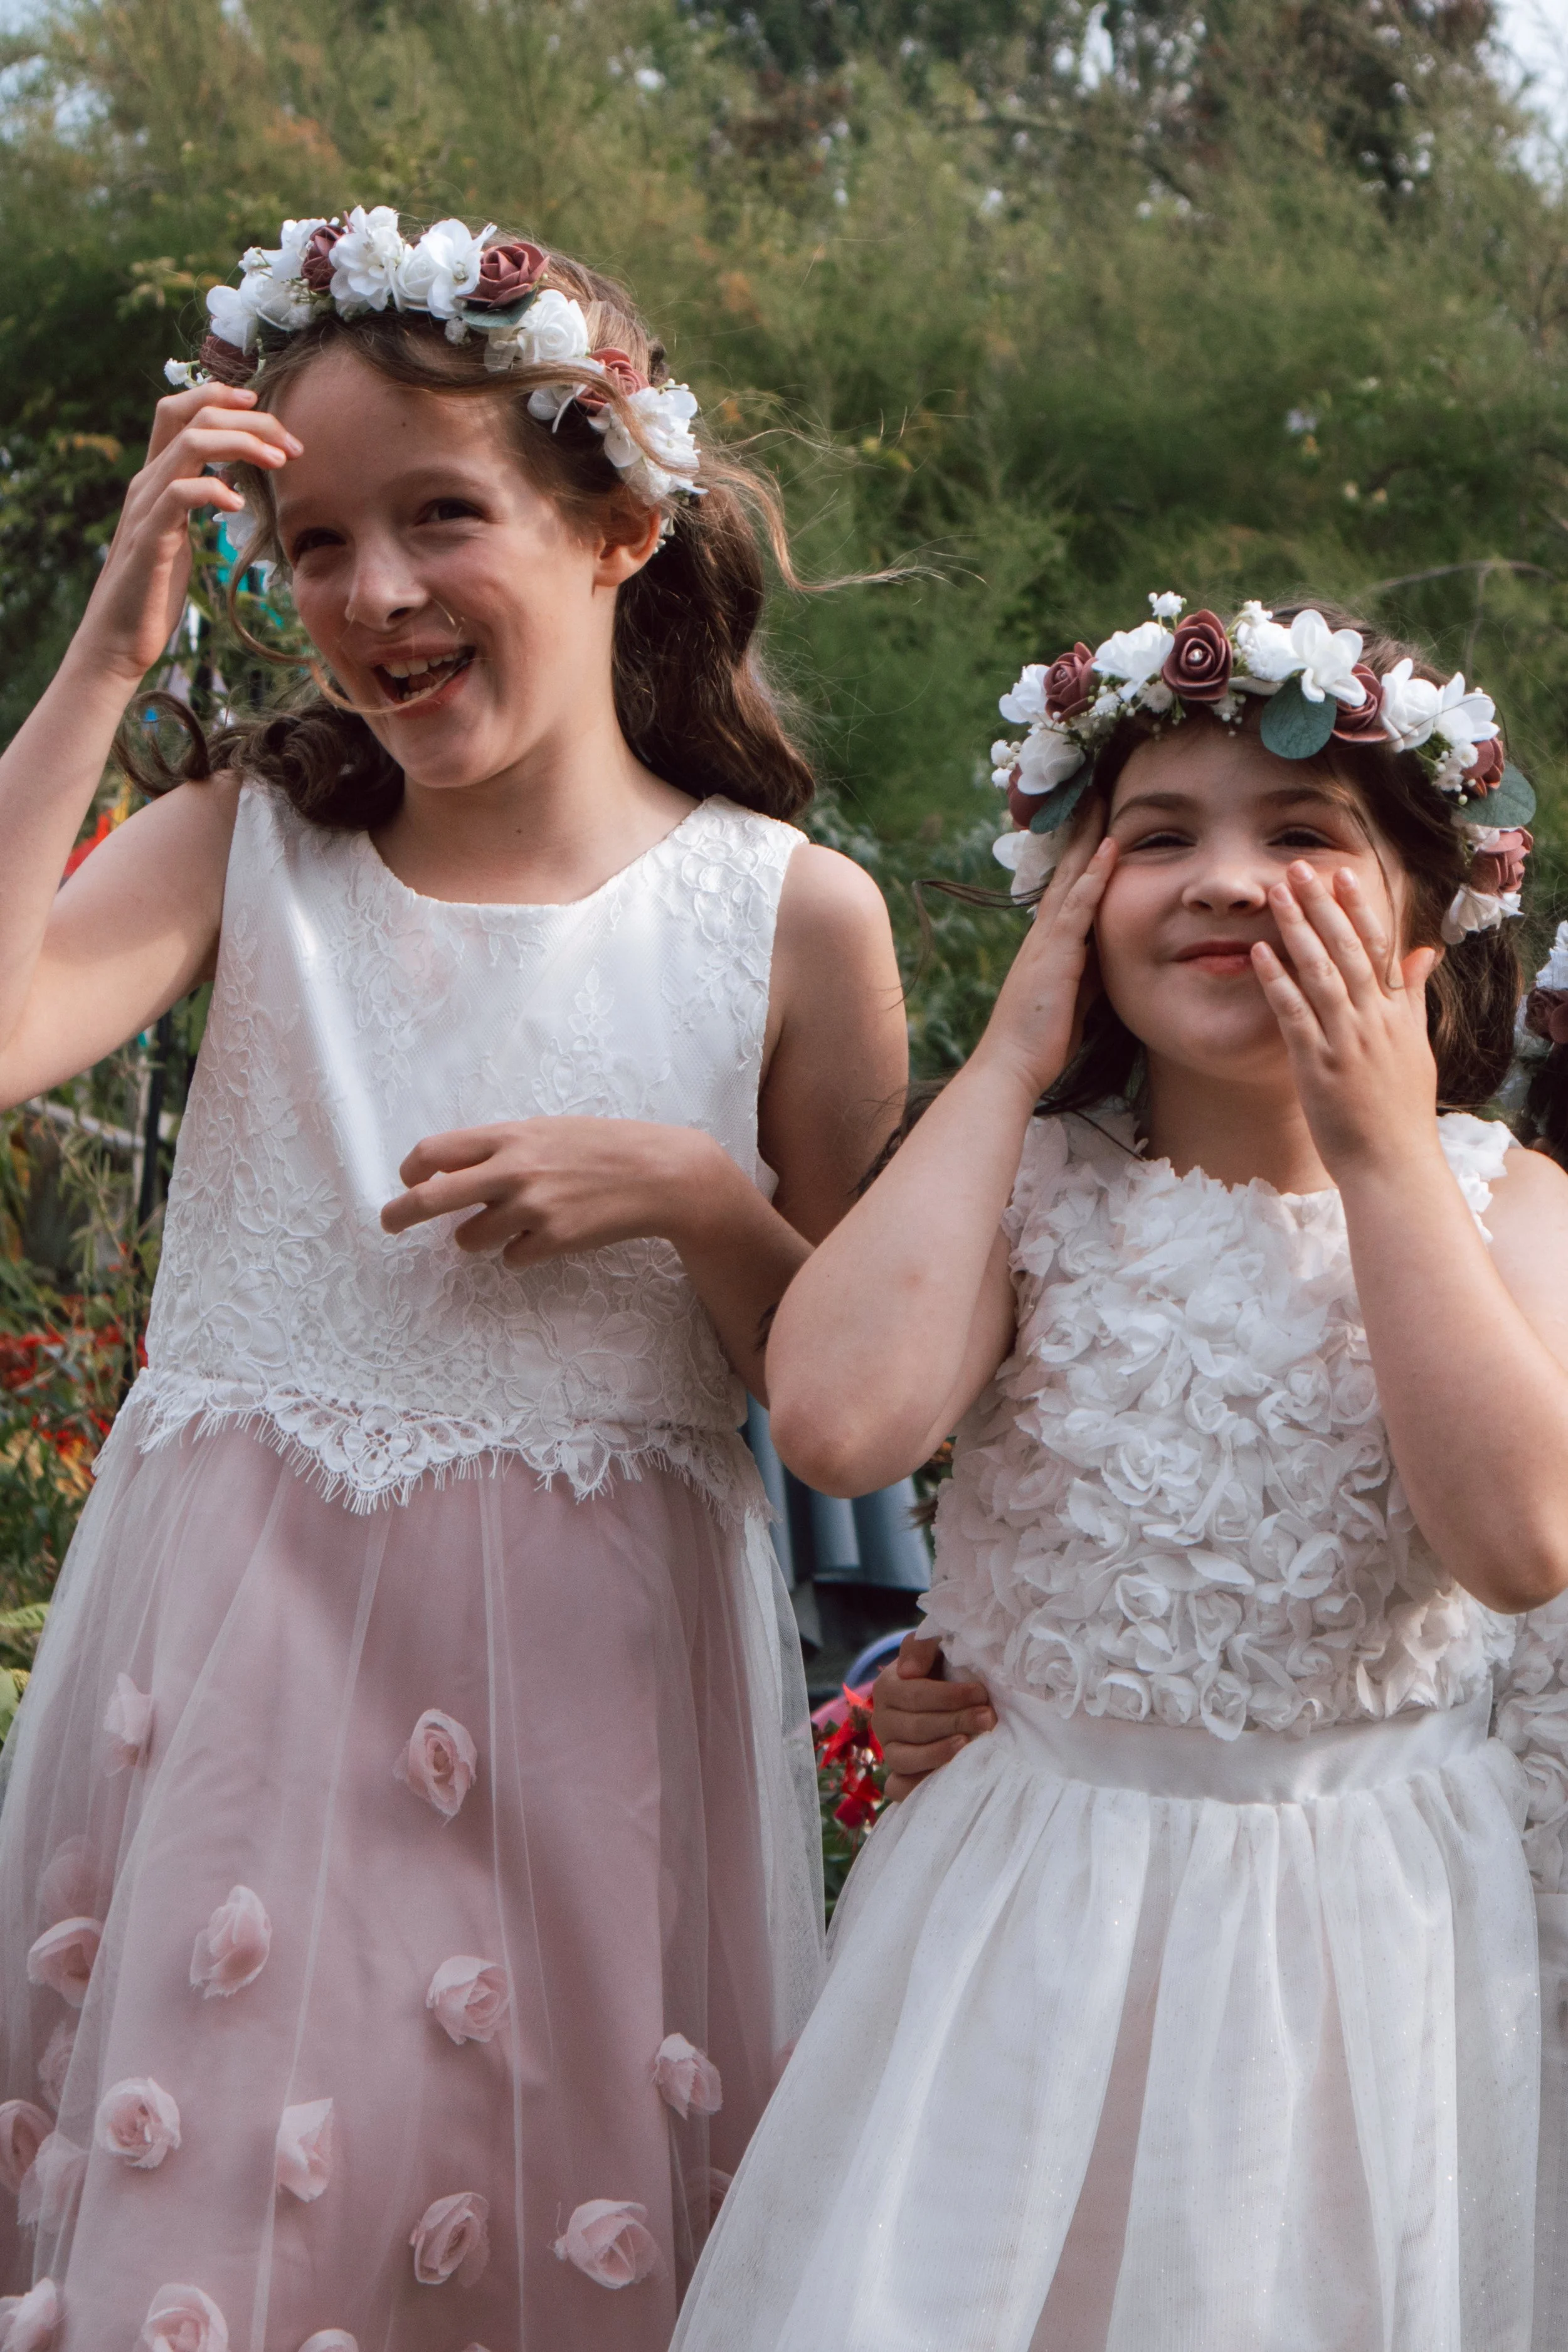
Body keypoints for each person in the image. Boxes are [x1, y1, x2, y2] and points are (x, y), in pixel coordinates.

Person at [0, 211, 908, 2349]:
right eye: (310, 542)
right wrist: (109, 655)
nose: (374, 594)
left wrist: (696, 1193)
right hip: (237, 1674)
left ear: (616, 523)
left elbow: (857, 1396)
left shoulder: (795, 921)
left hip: (596, 1725)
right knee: (213, 2239)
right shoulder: (252, 841)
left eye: (441, 516)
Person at [670, 594, 1568, 2351]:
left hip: (1349, 1943)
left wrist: (1381, 1148)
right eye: (1156, 838)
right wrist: (1007, 1059)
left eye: (1300, 836)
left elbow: (1517, 1536)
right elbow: (841, 1423)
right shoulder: (1030, 1196)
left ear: (1422, 918)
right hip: (1029, 1905)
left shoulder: (1506, 1208)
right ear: (1075, 904)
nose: (1225, 878)